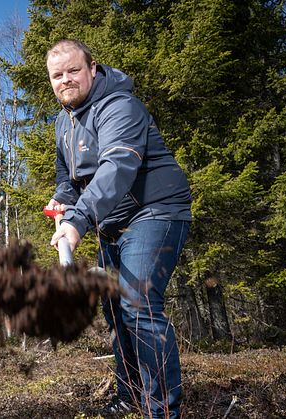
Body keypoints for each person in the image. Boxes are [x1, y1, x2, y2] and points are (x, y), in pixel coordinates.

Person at [45, 39, 192, 419]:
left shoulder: (119, 106)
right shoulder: (64, 122)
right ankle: (129, 395)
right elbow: (68, 179)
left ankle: (162, 410)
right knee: (114, 306)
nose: (66, 80)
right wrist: (63, 201)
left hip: (154, 212)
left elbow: (117, 169)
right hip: (112, 222)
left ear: (93, 69)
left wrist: (78, 221)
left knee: (138, 304)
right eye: (57, 75)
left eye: (74, 70)